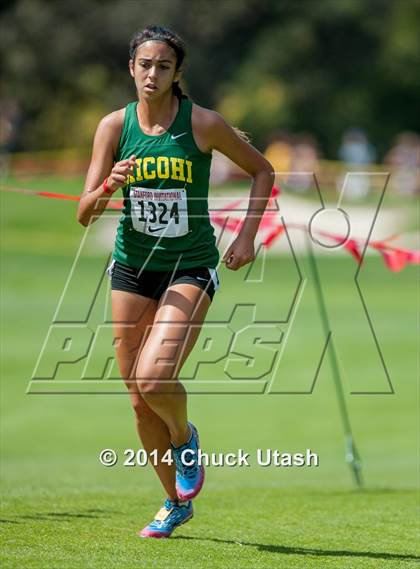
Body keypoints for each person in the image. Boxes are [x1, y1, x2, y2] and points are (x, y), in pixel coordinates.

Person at [77, 25, 273, 539]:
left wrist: (247, 237)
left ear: (176, 73)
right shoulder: (112, 127)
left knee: (154, 377)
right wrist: (107, 185)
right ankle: (173, 503)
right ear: (131, 67)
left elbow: (263, 171)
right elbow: (83, 213)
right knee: (138, 400)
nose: (152, 74)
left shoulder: (203, 124)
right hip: (131, 268)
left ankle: (186, 438)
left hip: (190, 265)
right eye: (145, 64)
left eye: (163, 66)